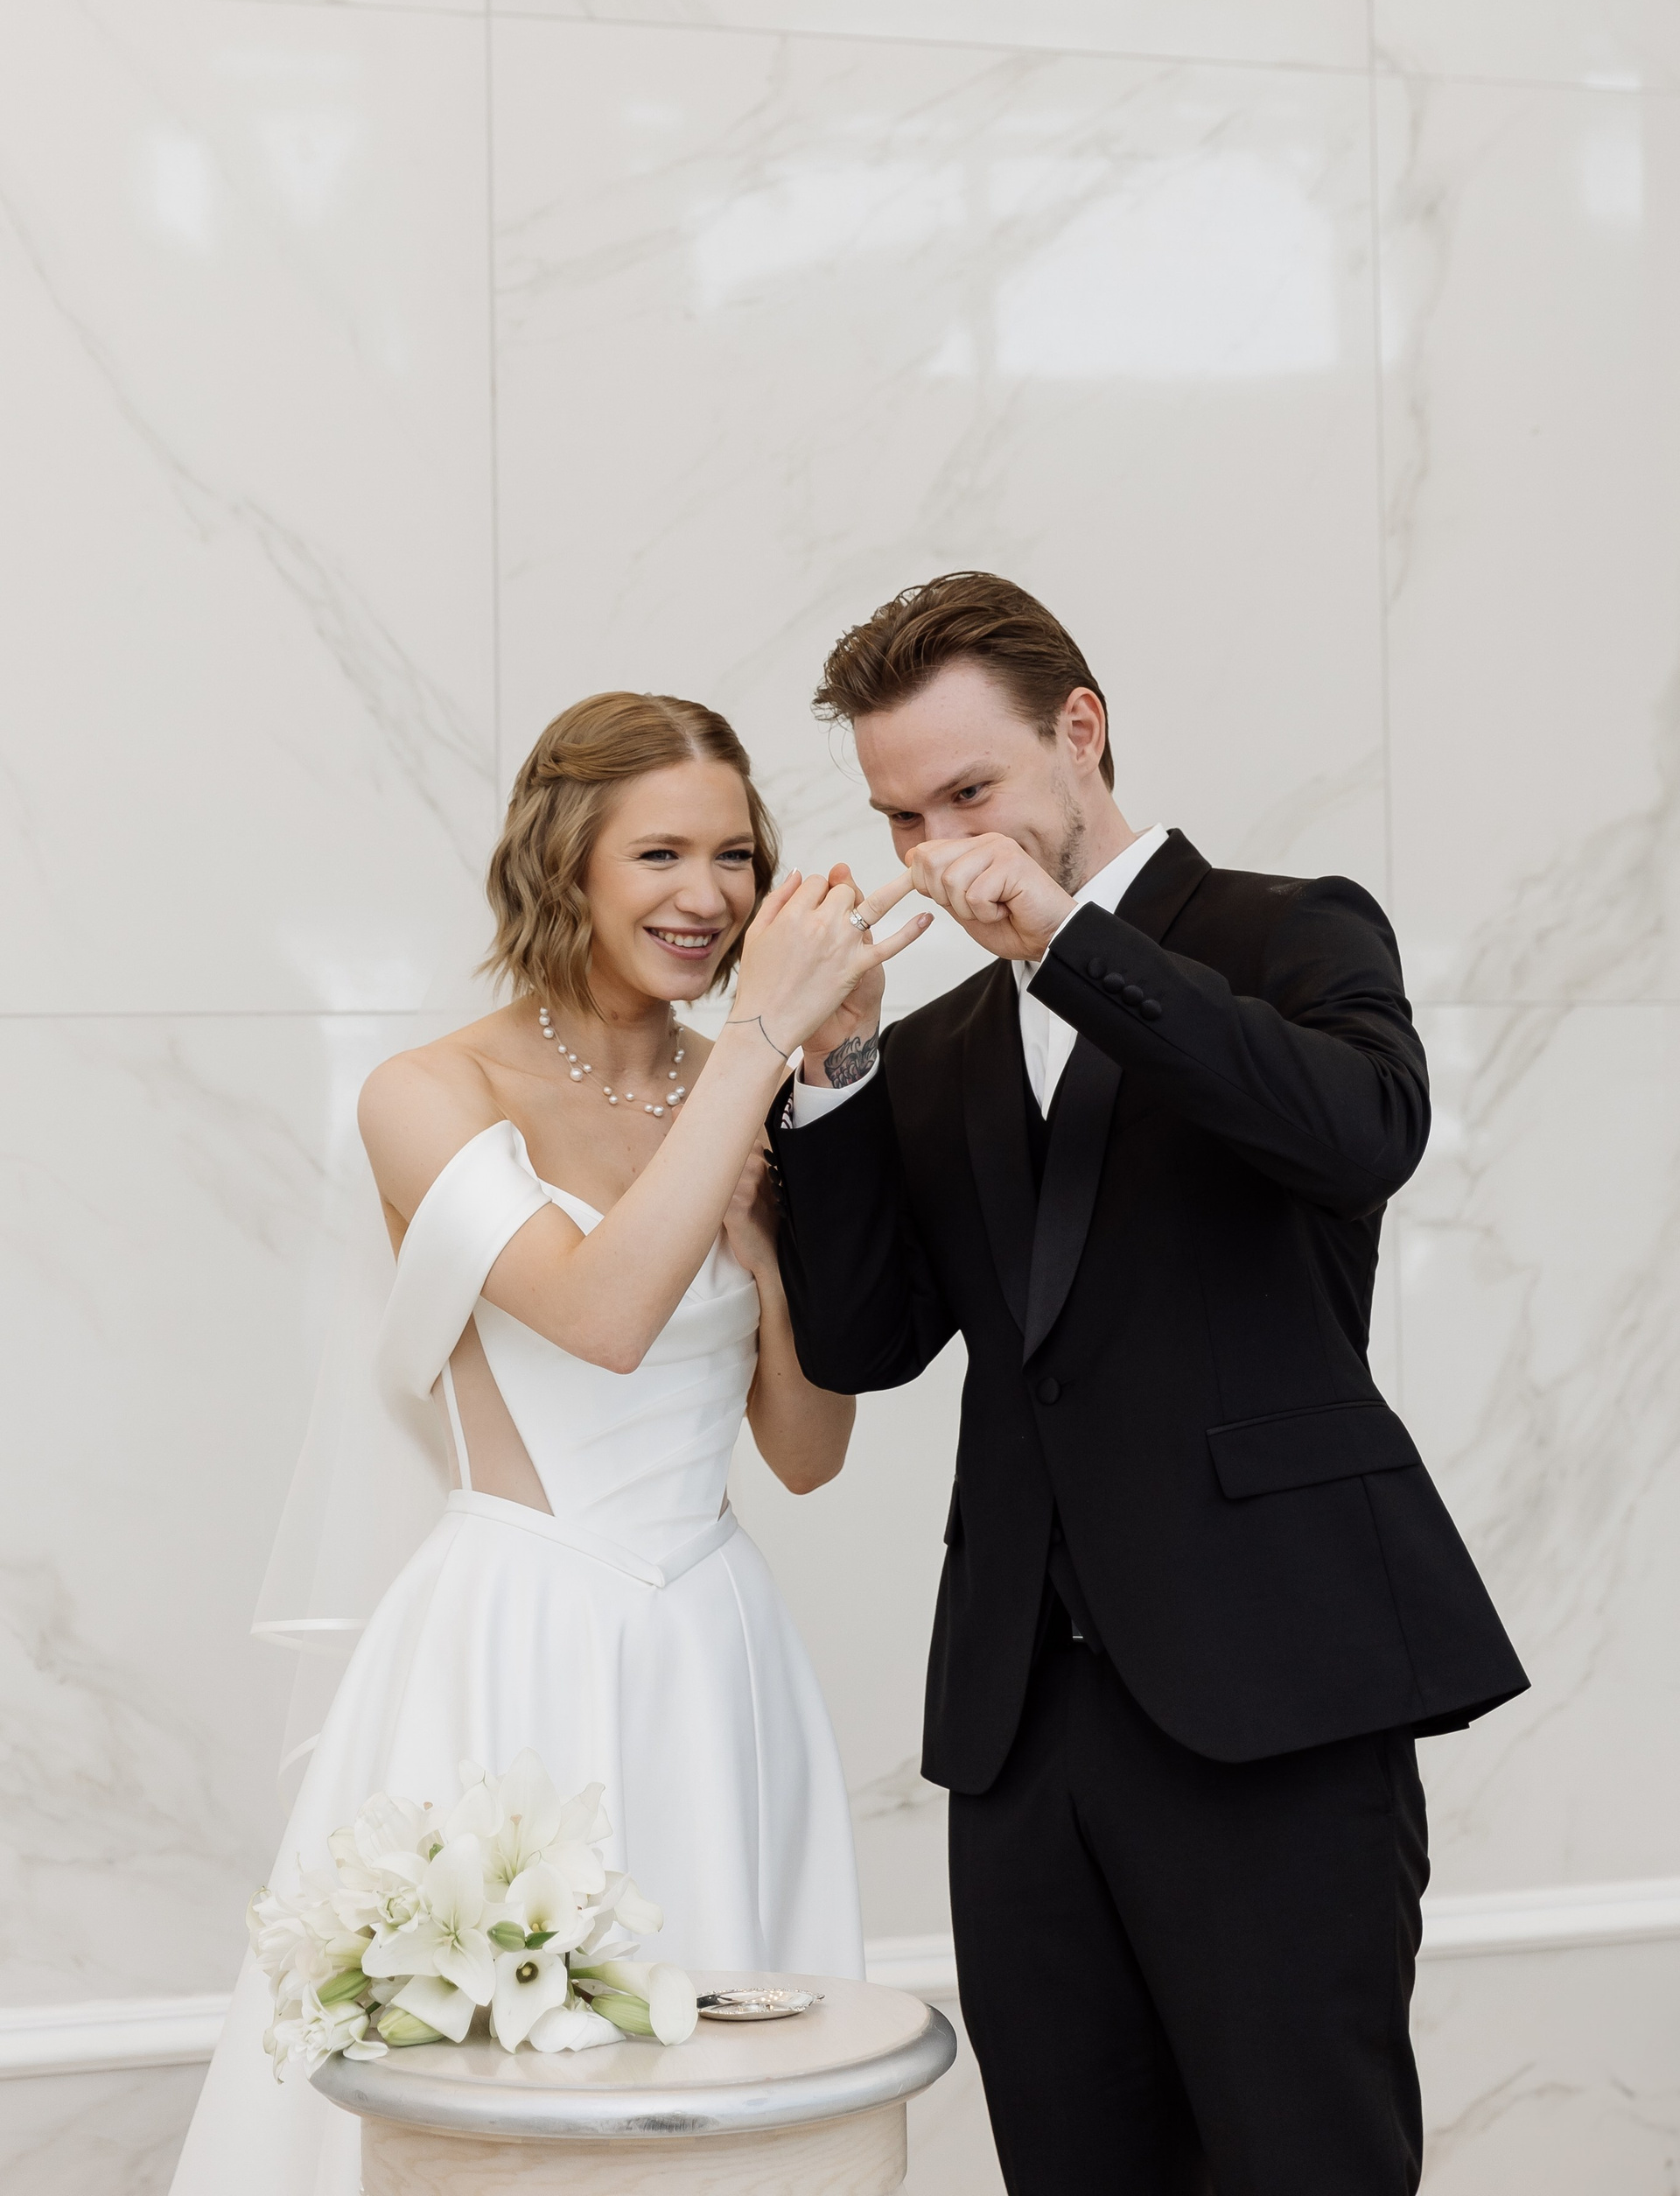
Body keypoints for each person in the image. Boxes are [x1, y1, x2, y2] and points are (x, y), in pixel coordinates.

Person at [770, 572, 1528, 2196]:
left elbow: (1362, 1136)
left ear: (1081, 731)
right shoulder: (939, 1047)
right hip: (1020, 1730)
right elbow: (863, 1343)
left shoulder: (1288, 928)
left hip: (1274, 1692)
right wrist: (834, 1066)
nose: (935, 847)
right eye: (901, 816)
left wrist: (1067, 945)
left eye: (968, 792)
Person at [172, 690, 929, 2196]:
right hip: (515, 1637)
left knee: (732, 2096)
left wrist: (775, 1253)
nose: (707, 896)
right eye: (660, 854)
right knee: (499, 2105)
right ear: (562, 860)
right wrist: (759, 1048)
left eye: (734, 856)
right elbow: (601, 1314)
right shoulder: (429, 1094)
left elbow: (807, 1452)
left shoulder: (741, 1088)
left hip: (718, 1648)